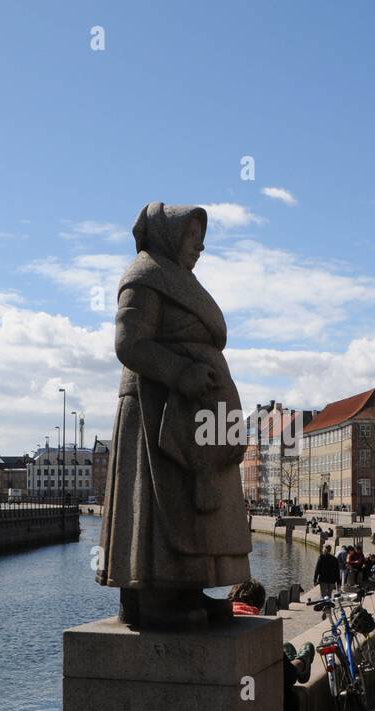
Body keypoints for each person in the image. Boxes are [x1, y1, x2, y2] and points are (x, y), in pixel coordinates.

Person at [95, 203, 252, 628]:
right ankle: (152, 595)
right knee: (162, 502)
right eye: (191, 236)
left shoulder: (182, 279)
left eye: (201, 238)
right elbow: (129, 343)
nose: (200, 246)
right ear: (168, 234)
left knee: (191, 505)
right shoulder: (143, 276)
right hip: (158, 407)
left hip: (197, 407)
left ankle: (187, 586)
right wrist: (180, 372)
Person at [230, 579, 313, 711]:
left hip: (230, 697)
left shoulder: (219, 621)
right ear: (259, 604)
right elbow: (284, 677)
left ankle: (294, 658)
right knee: (290, 698)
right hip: (251, 701)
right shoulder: (259, 629)